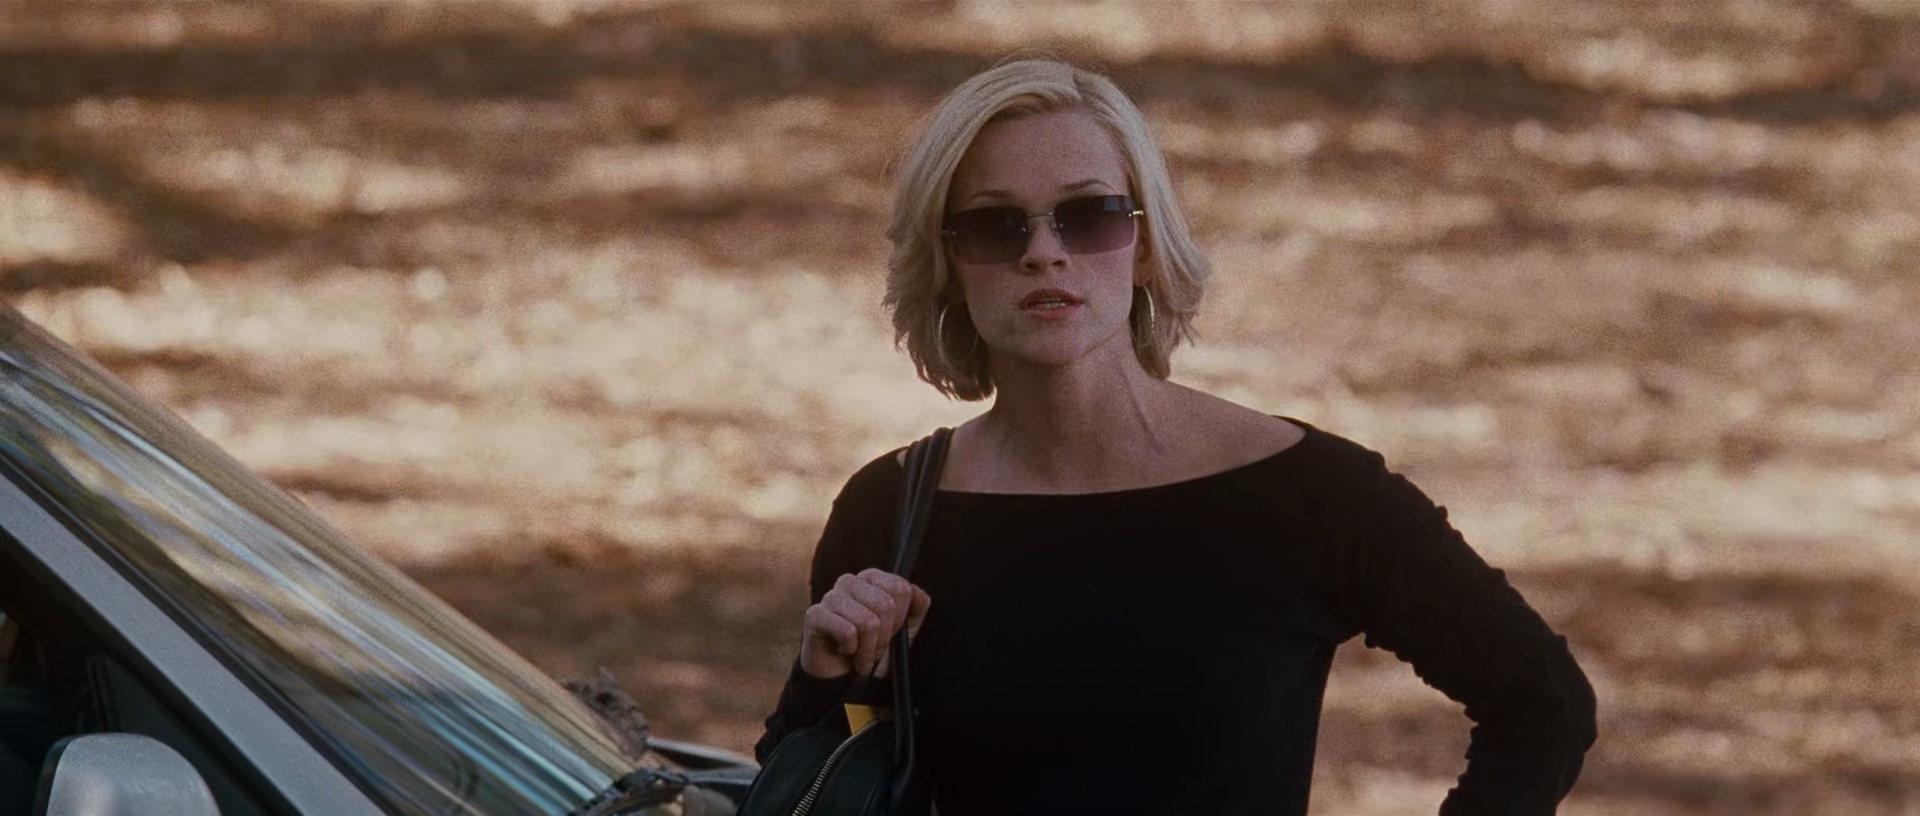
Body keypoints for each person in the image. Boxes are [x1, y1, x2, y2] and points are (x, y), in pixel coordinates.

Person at [754, 58, 1597, 815]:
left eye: (1088, 216)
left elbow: (1543, 706)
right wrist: (824, 681)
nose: (1044, 253)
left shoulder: (1306, 494)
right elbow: (803, 784)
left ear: (1146, 246)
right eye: (994, 225)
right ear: (945, 267)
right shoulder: (893, 510)